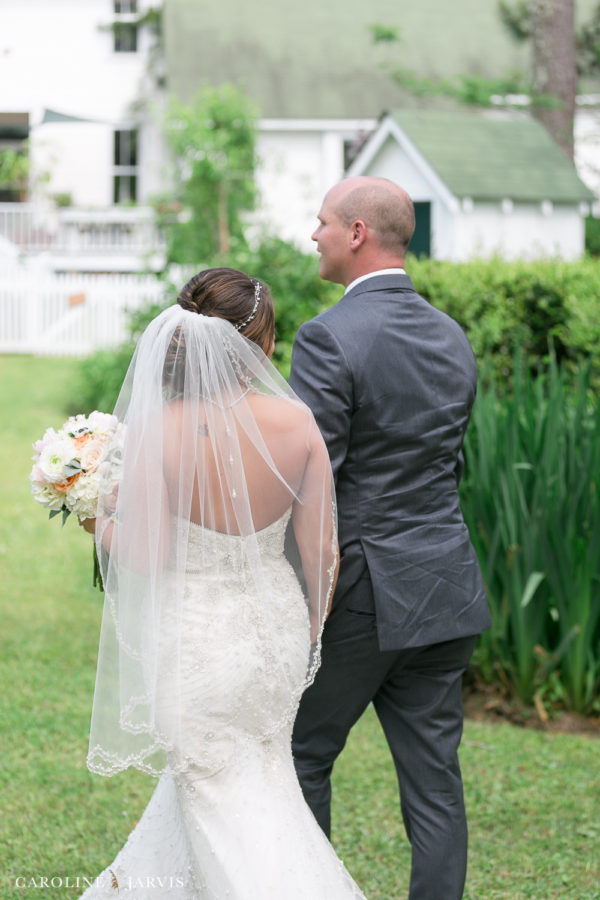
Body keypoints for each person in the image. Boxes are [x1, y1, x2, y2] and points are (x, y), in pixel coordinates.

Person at [77, 268, 367, 899]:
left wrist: (95, 520)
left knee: (216, 789)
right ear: (257, 343)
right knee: (260, 781)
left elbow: (145, 555)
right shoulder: (298, 424)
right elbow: (322, 549)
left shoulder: (161, 429)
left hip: (197, 635)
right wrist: (309, 625)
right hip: (275, 630)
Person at [289, 176, 492, 900]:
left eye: (320, 223)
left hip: (365, 598)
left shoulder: (325, 338)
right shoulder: (450, 333)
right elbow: (452, 463)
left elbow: (314, 486)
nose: (311, 235)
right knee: (435, 782)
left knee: (298, 757)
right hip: (446, 585)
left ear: (355, 234)